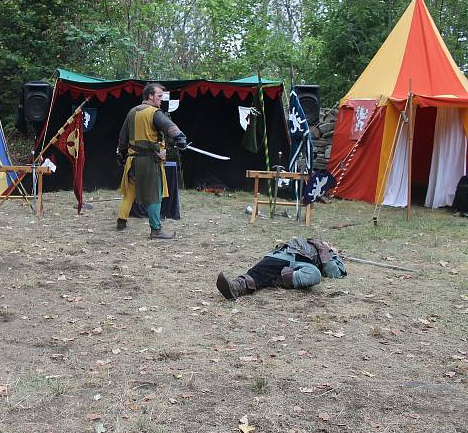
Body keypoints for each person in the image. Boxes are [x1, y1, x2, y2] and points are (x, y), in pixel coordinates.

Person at [116, 83, 187, 239]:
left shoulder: (132, 112)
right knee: (155, 195)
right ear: (150, 96)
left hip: (133, 160)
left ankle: (121, 222)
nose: (161, 100)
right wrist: (180, 137)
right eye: (159, 96)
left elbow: (123, 138)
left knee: (130, 192)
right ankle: (156, 230)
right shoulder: (154, 112)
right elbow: (168, 126)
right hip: (148, 162)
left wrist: (121, 154)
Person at [216, 237, 346, 300]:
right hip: (284, 254)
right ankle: (236, 287)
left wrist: (327, 251)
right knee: (266, 267)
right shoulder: (311, 243)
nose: (330, 244)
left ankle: (275, 279)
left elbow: (334, 273)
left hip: (304, 264)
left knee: (314, 274)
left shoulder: (331, 255)